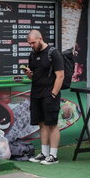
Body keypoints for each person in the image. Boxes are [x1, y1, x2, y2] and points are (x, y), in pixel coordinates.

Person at [24, 30, 64, 165]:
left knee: (51, 124)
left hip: (49, 94)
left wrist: (53, 93)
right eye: (29, 44)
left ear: (40, 39)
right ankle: (44, 153)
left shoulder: (53, 53)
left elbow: (60, 75)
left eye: (33, 43)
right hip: (36, 93)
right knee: (41, 124)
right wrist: (29, 74)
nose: (31, 46)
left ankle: (53, 155)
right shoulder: (32, 54)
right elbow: (33, 75)